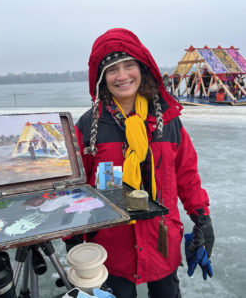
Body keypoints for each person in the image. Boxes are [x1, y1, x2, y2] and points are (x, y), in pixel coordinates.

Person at [65, 28, 214, 298]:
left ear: (142, 69)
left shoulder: (167, 121)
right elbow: (74, 188)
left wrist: (202, 219)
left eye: (129, 65)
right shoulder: (88, 127)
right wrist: (72, 238)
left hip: (162, 241)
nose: (122, 76)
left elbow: (187, 176)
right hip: (111, 247)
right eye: (112, 70)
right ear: (101, 78)